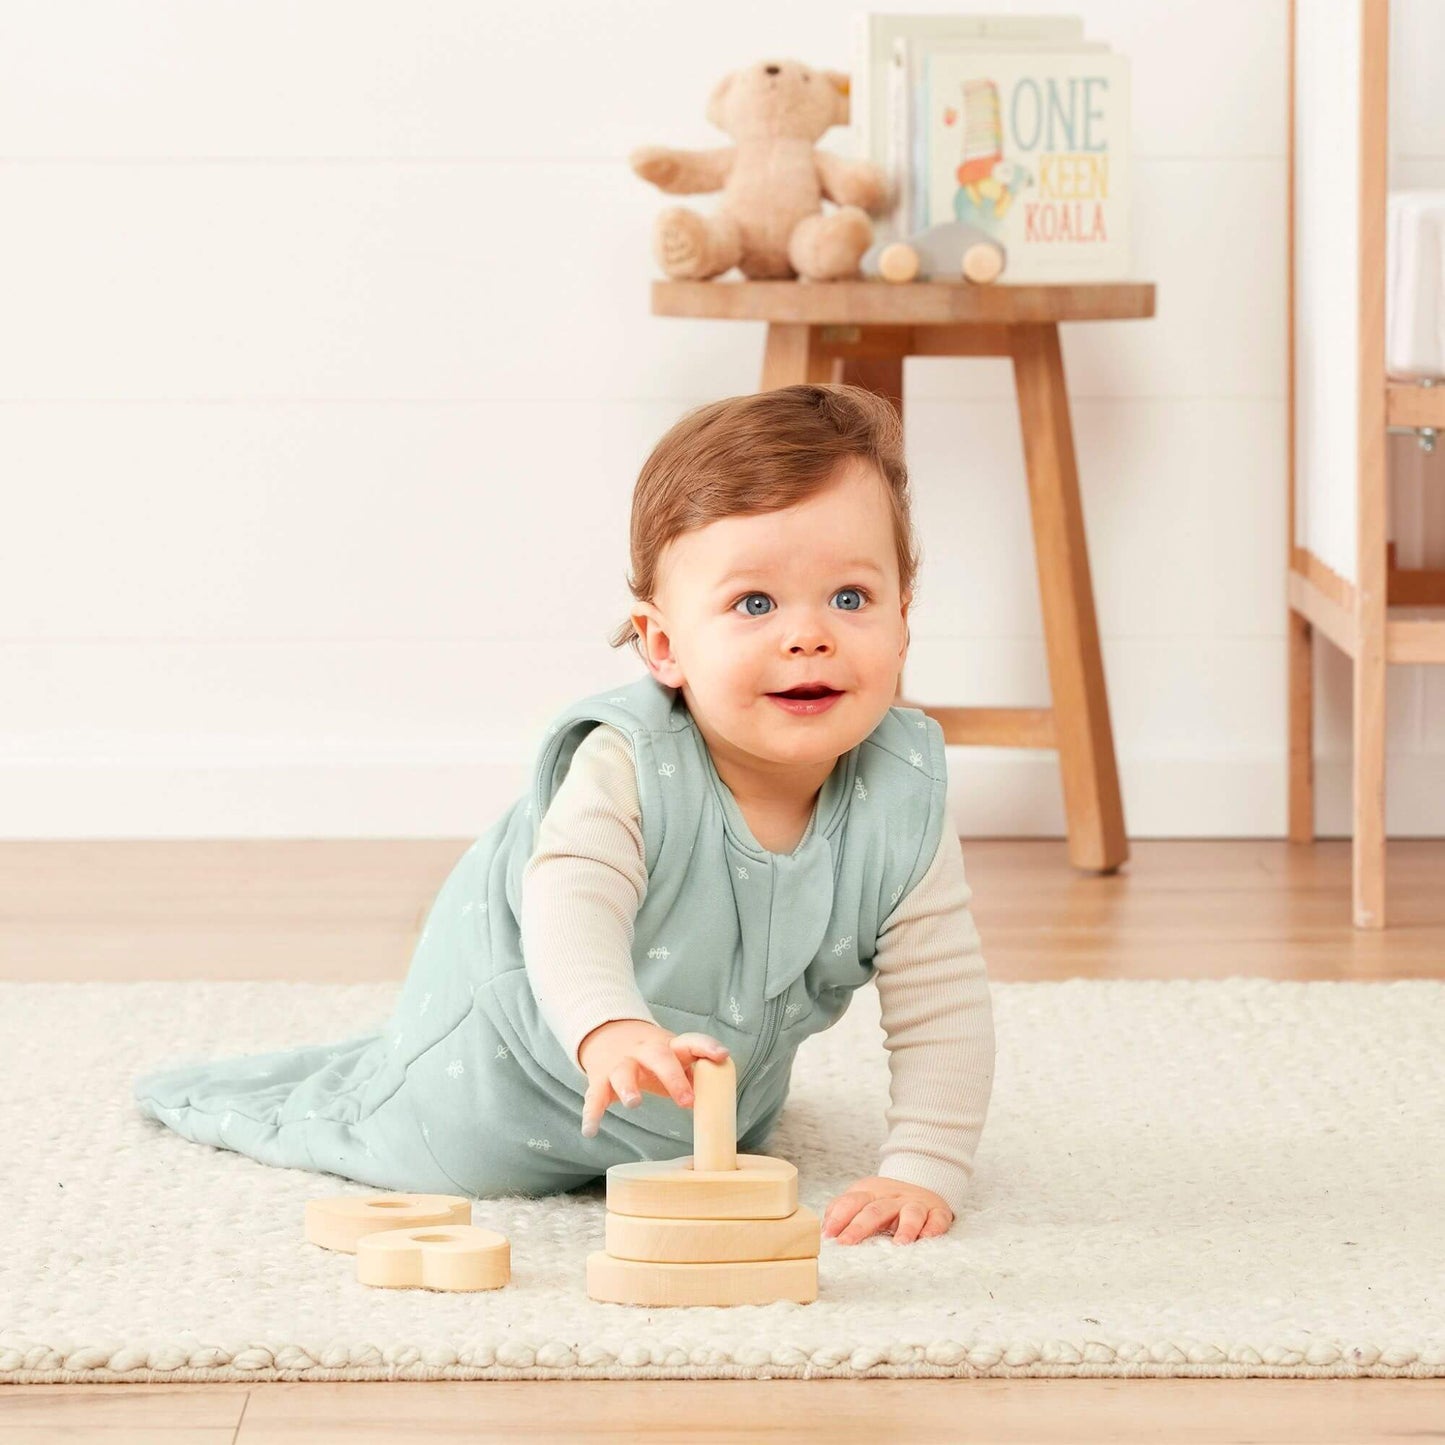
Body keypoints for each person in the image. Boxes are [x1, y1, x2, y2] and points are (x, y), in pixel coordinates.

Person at [134, 383, 996, 1247]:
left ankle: (672, 1108)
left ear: (902, 624)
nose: (808, 635)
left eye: (849, 598)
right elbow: (571, 902)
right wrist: (609, 1028)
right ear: (662, 645)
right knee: (425, 1139)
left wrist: (922, 1167)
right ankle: (363, 1091)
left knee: (714, 1142)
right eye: (754, 604)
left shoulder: (902, 796)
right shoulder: (629, 762)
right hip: (512, 1080)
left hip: (706, 1109)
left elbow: (942, 999)